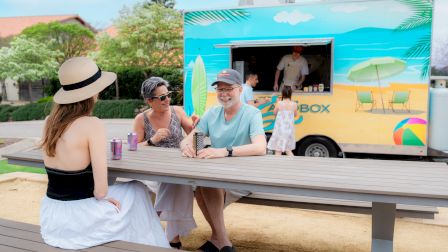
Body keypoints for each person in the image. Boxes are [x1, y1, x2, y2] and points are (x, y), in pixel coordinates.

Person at [39, 57, 170, 250]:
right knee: (138, 189)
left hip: (52, 218)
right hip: (79, 220)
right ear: (93, 92)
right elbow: (101, 191)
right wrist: (103, 199)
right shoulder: (93, 125)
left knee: (129, 194)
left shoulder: (49, 121)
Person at [180, 69, 267, 252]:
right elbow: (196, 138)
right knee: (201, 187)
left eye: (229, 89)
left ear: (240, 90)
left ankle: (220, 241)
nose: (224, 94)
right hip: (217, 175)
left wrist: (224, 151)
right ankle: (221, 240)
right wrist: (189, 146)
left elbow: (260, 147)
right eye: (220, 89)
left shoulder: (252, 113)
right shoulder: (212, 113)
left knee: (206, 185)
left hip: (244, 176)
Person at [133, 76, 197, 249]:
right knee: (174, 182)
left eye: (168, 94)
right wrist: (151, 140)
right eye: (162, 97)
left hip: (177, 166)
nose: (167, 99)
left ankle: (156, 227)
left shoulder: (178, 112)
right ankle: (172, 239)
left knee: (177, 181)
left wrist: (196, 127)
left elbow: (195, 136)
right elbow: (134, 147)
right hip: (153, 170)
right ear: (149, 101)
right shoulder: (141, 119)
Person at [267, 86, 298, 156]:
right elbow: (295, 115)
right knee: (288, 150)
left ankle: (277, 165)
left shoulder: (279, 103)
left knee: (278, 150)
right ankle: (293, 164)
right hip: (289, 130)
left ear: (282, 93)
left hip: (280, 129)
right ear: (291, 94)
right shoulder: (294, 104)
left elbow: (274, 113)